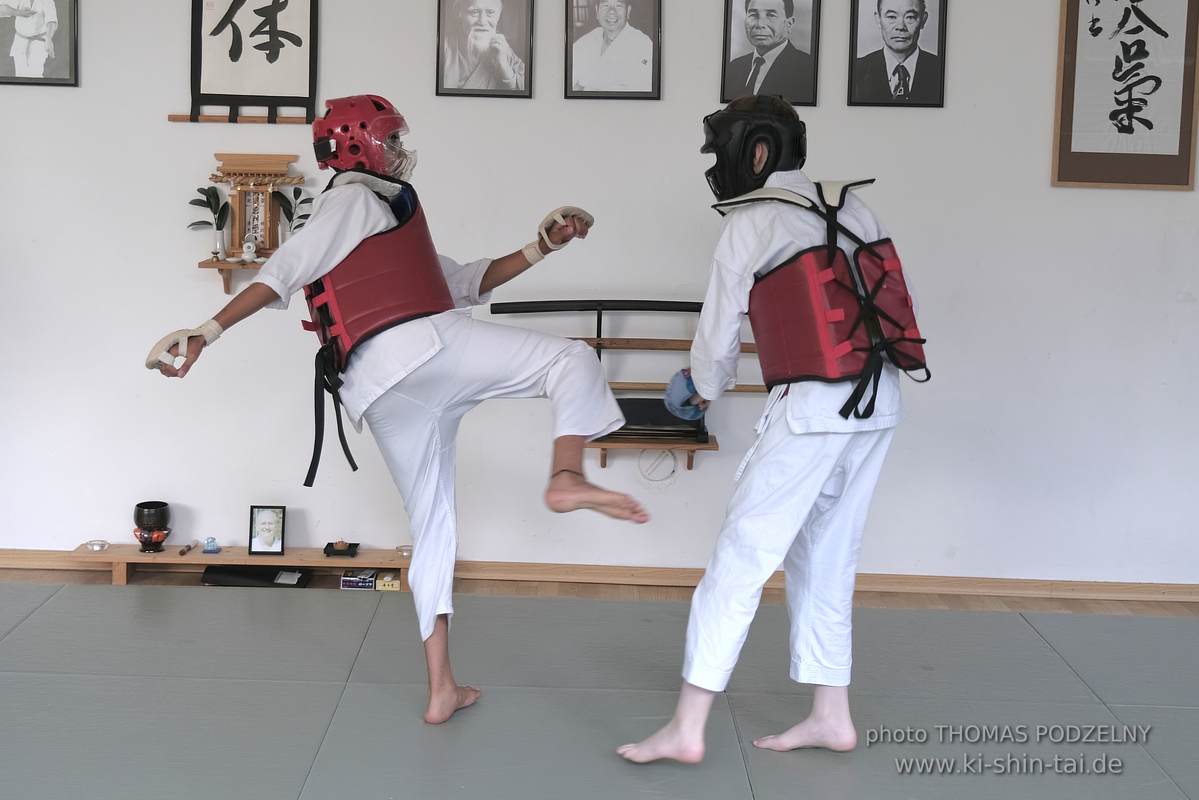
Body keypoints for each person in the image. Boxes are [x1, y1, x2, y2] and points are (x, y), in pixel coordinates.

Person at [147, 94, 649, 725]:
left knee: (434, 528)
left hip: (381, 388)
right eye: (390, 139)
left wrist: (541, 246)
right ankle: (568, 475)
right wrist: (207, 331)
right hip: (421, 349)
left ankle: (442, 689)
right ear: (357, 145)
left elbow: (465, 282)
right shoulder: (354, 200)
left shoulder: (384, 217)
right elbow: (284, 268)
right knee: (571, 359)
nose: (400, 150)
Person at [618, 94, 925, 764]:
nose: (716, 168)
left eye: (720, 153)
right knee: (827, 554)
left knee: (743, 555)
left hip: (814, 408)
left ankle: (687, 728)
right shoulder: (855, 206)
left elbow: (717, 334)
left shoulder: (753, 220)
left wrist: (701, 390)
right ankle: (831, 716)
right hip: (879, 400)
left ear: (755, 151)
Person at [724, 0, 815, 105]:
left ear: (789, 23)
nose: (759, 24)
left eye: (771, 15)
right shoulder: (735, 66)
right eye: (753, 15)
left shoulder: (806, 68)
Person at [851, 0, 942, 104]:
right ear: (878, 19)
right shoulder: (856, 70)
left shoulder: (940, 68)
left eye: (910, 17)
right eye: (891, 17)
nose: (900, 27)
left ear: (923, 20)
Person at [442, 0, 525, 91]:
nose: (482, 22)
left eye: (490, 12)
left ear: (499, 14)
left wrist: (503, 64)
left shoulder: (503, 50)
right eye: (474, 12)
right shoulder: (444, 48)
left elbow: (525, 89)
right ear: (459, 12)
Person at [571, 0, 653, 92]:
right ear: (597, 11)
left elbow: (642, 93)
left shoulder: (642, 44)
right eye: (606, 5)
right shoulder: (587, 40)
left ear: (628, 11)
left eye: (619, 5)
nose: (612, 11)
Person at [0, 0, 56, 79]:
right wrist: (19, 13)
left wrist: (48, 39)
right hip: (20, 40)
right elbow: (1, 10)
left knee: (35, 74)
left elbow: (51, 20)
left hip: (39, 41)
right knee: (20, 74)